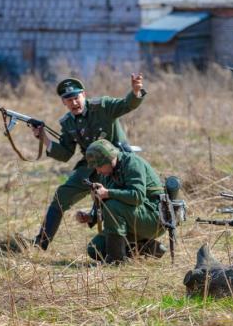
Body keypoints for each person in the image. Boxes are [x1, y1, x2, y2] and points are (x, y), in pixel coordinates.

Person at [31, 74, 147, 250]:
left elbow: (127, 105)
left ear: (84, 94)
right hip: (90, 167)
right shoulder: (68, 122)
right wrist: (44, 138)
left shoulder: (103, 107)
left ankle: (140, 244)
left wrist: (136, 91)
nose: (74, 103)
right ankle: (41, 244)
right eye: (68, 100)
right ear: (63, 102)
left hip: (116, 164)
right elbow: (65, 154)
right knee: (61, 196)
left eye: (76, 97)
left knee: (121, 201)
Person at [77, 139, 166, 263]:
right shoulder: (107, 172)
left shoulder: (132, 163)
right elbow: (109, 202)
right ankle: (147, 247)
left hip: (155, 218)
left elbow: (137, 196)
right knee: (95, 249)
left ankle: (116, 260)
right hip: (133, 218)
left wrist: (108, 193)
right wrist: (90, 216)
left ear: (109, 160)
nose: (97, 171)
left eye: (99, 166)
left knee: (113, 206)